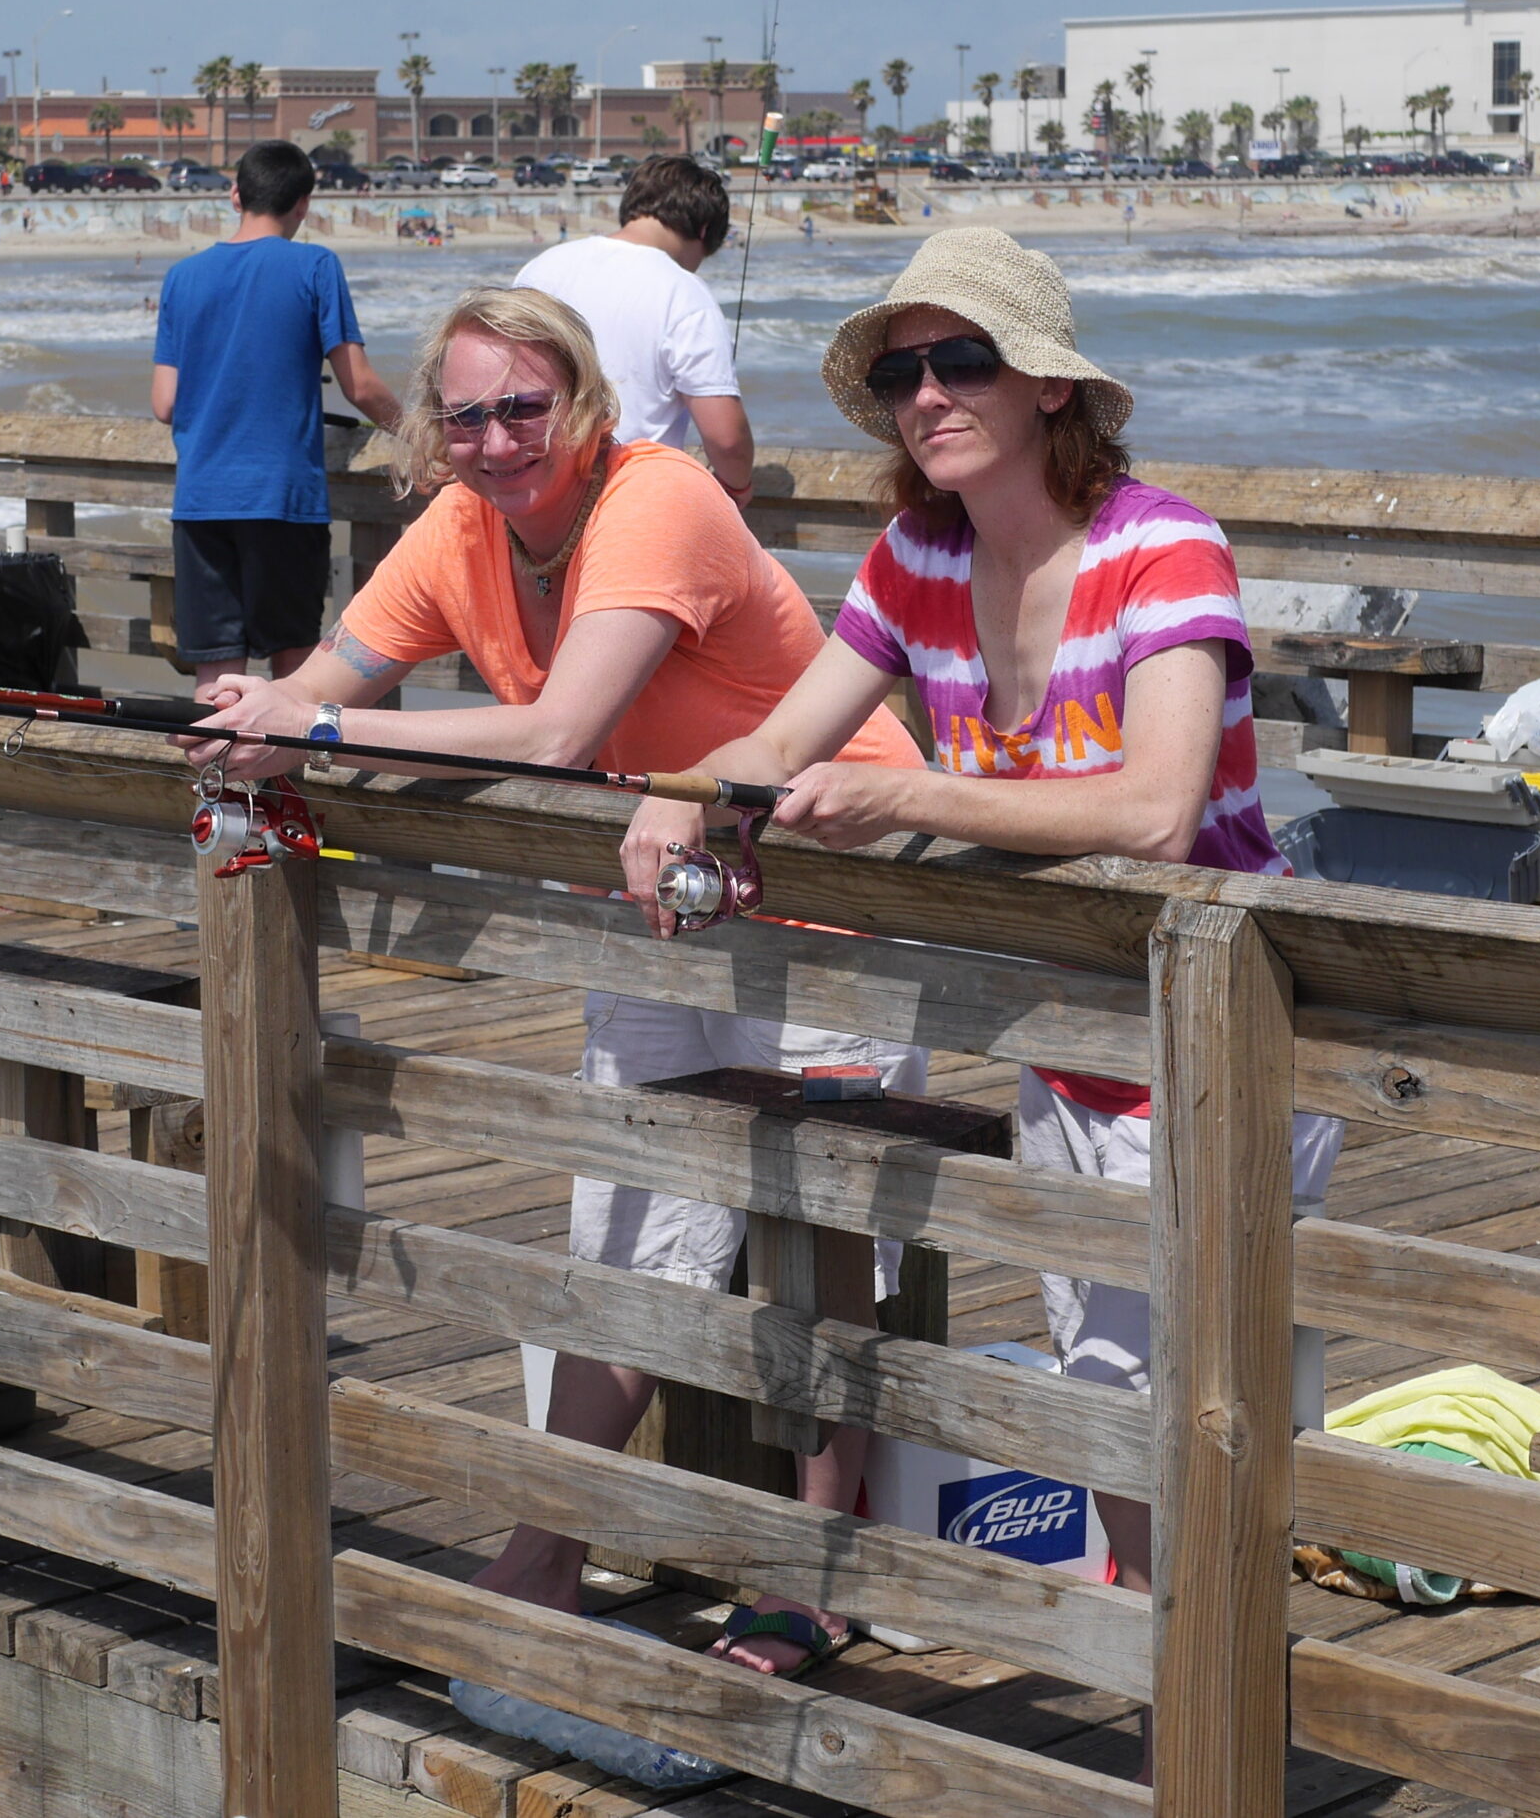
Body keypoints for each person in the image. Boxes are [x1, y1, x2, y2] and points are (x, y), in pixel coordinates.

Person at [620, 225, 1342, 1699]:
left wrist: (909, 796)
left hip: (1219, 1029)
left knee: (1184, 1400)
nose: (928, 394)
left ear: (1053, 391)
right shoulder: (918, 555)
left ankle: (1205, 1702)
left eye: (964, 362)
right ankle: (1180, 1688)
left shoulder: (1163, 544)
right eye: (903, 371)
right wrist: (682, 794)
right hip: (1064, 1029)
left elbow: (1155, 809)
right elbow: (782, 734)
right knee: (1101, 1385)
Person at [176, 286, 926, 1679]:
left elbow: (567, 730)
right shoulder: (458, 524)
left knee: (818, 1240)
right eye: (466, 414)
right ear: (434, 432)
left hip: (828, 890)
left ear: (584, 408)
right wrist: (262, 730)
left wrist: (322, 722)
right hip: (653, 893)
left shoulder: (661, 497)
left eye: (527, 406)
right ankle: (553, 1540)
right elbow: (339, 672)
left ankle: (816, 1575)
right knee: (624, 1224)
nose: (498, 437)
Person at [151, 139, 402, 698]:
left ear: (235, 195)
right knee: (292, 673)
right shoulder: (315, 265)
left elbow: (164, 403)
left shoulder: (182, 277)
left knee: (217, 676)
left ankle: (216, 788)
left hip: (201, 500)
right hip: (283, 499)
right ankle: (282, 786)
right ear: (303, 205)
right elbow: (358, 384)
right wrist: (420, 433)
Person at [514, 155, 753, 505]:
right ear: (704, 231)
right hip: (632, 503)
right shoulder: (683, 290)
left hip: (536, 499)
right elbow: (727, 438)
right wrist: (737, 489)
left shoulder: (540, 269)